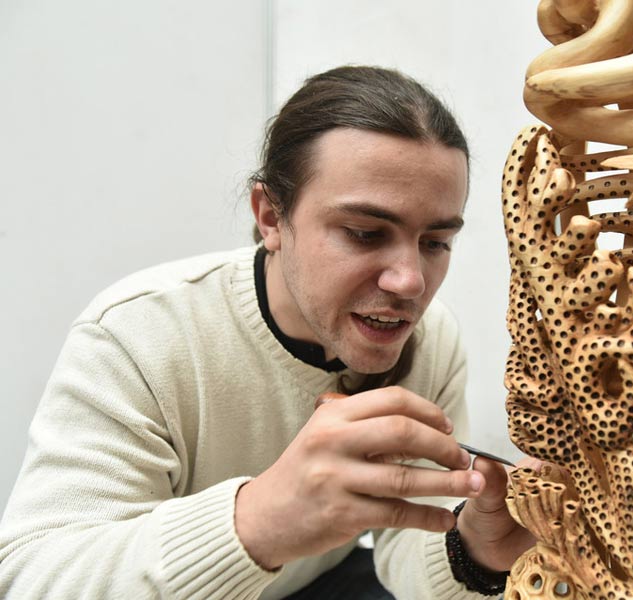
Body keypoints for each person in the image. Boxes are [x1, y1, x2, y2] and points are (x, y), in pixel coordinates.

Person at [0, 65, 535, 599]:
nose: (411, 281)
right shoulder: (140, 336)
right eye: (364, 233)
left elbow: (408, 548)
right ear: (271, 217)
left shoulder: (432, 341)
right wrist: (257, 522)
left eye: (436, 242)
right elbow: (31, 579)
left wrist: (473, 551)